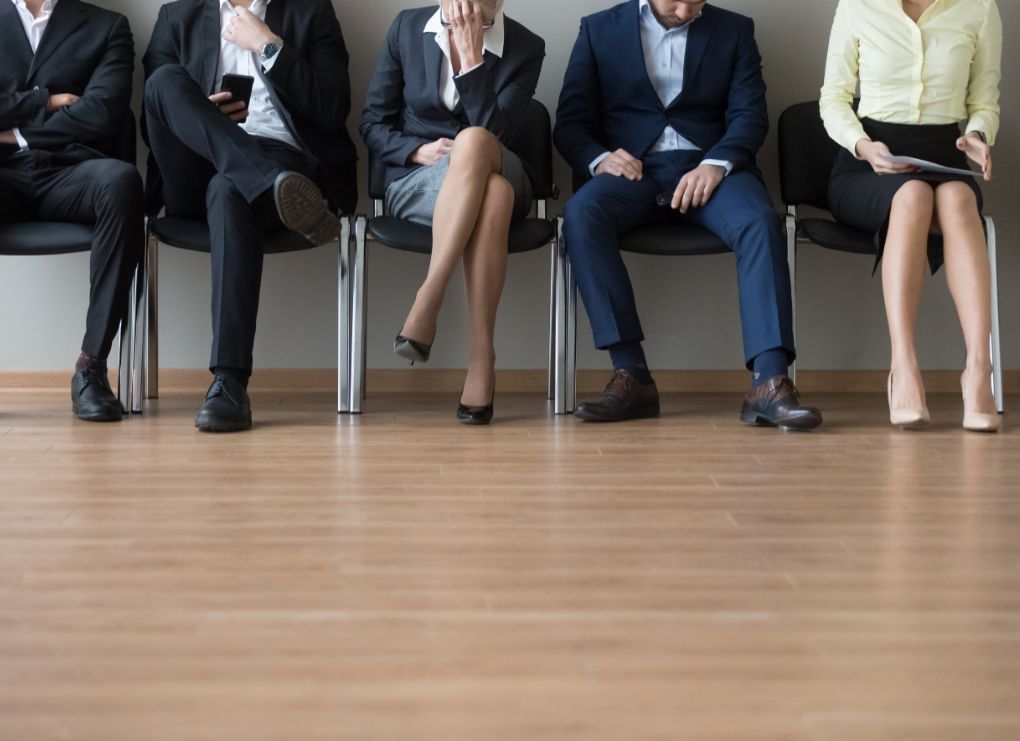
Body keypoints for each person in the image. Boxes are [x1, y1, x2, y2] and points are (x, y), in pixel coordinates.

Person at [554, 0, 822, 430]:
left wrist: (716, 164)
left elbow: (750, 116)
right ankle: (631, 374)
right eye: (677, 2)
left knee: (761, 221)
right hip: (633, 172)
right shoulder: (598, 30)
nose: (688, 10)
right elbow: (569, 123)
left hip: (712, 170)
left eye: (697, 1)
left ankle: (770, 382)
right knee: (582, 214)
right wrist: (601, 159)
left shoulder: (735, 31)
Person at [0, 0, 143, 424]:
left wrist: (4, 131)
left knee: (122, 182)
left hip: (73, 170)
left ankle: (91, 369)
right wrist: (51, 100)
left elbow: (102, 116)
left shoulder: (109, 26)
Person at [142, 0, 357, 432]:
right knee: (164, 80)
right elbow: (154, 118)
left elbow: (333, 107)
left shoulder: (310, 12)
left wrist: (270, 45)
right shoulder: (175, 16)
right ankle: (265, 181)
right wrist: (203, 113)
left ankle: (229, 383)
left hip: (281, 157)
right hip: (196, 163)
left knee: (228, 188)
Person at [360, 0, 545, 425]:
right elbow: (372, 123)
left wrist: (473, 61)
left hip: (499, 160)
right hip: (419, 179)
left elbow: (499, 136)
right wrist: (416, 150)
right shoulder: (407, 28)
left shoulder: (525, 47)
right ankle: (482, 359)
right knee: (492, 196)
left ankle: (429, 296)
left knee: (475, 143)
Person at [820, 0, 1002, 432]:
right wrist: (864, 146)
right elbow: (834, 99)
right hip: (869, 161)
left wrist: (977, 134)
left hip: (945, 153)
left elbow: (984, 99)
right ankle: (903, 366)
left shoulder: (979, 9)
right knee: (913, 196)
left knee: (959, 200)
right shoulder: (857, 5)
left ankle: (979, 368)